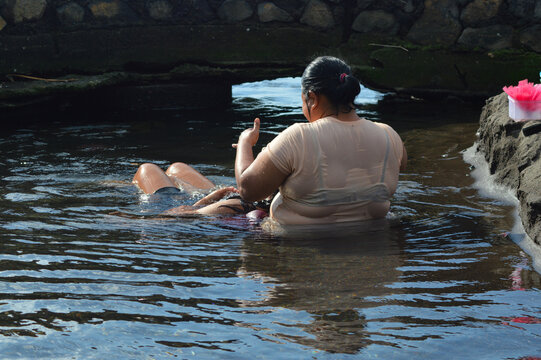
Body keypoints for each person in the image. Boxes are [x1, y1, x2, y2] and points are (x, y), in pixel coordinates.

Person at [234, 56, 407, 225]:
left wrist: (245, 143)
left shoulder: (298, 137)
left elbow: (247, 190)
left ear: (313, 98)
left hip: (301, 248)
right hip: (375, 243)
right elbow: (399, 165)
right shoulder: (389, 135)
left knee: (226, 210)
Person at [131, 162, 271, 217]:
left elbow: (175, 216)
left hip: (168, 201)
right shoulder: (272, 201)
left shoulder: (237, 206)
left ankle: (116, 184)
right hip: (208, 198)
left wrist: (207, 199)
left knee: (148, 168)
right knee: (177, 167)